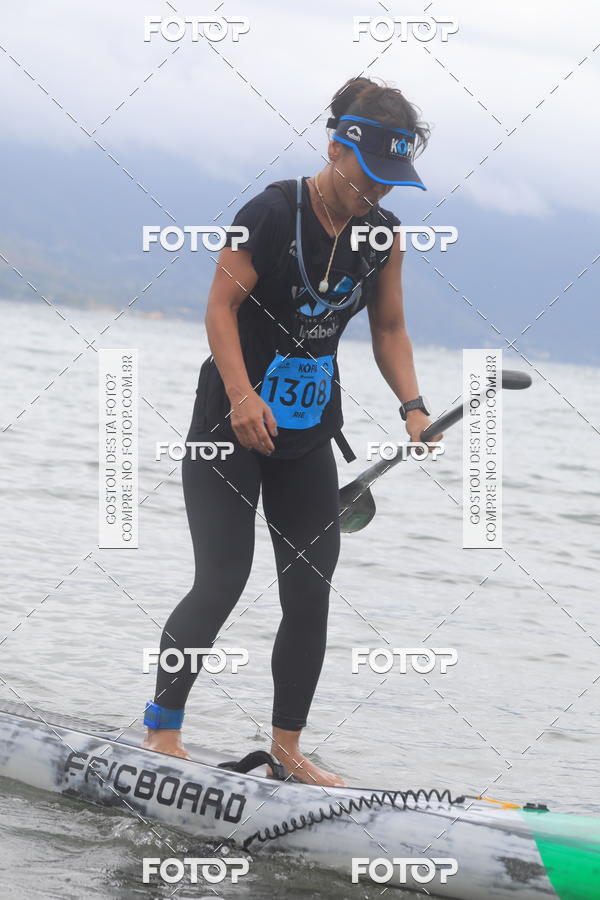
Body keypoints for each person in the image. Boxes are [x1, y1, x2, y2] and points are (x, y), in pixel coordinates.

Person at [142, 76, 440, 787]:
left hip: (308, 431)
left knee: (309, 589)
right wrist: (243, 396)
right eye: (371, 177)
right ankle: (162, 733)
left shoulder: (383, 237)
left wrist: (413, 406)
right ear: (338, 148)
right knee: (222, 578)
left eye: (392, 182)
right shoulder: (269, 213)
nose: (380, 194)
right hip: (229, 423)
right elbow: (219, 310)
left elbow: (390, 329)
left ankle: (288, 748)